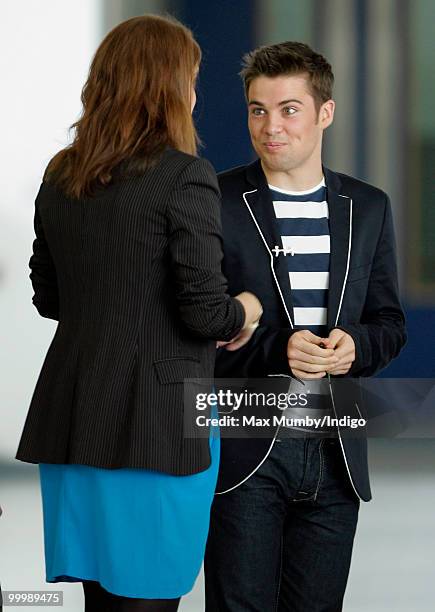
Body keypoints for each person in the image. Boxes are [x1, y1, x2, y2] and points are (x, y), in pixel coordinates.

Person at [15, 15, 262, 612]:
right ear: (170, 87)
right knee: (151, 597)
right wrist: (246, 311)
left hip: (75, 419)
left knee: (104, 602)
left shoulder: (62, 171)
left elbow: (50, 298)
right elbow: (206, 313)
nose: (197, 94)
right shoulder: (184, 176)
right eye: (193, 80)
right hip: (158, 426)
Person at [204, 41, 406, 611]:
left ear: (325, 113)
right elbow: (193, 324)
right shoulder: (214, 201)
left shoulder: (367, 207)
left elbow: (389, 323)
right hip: (245, 445)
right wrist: (276, 349)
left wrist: (353, 350)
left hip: (337, 451)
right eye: (257, 109)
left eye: (290, 108)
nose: (271, 127)